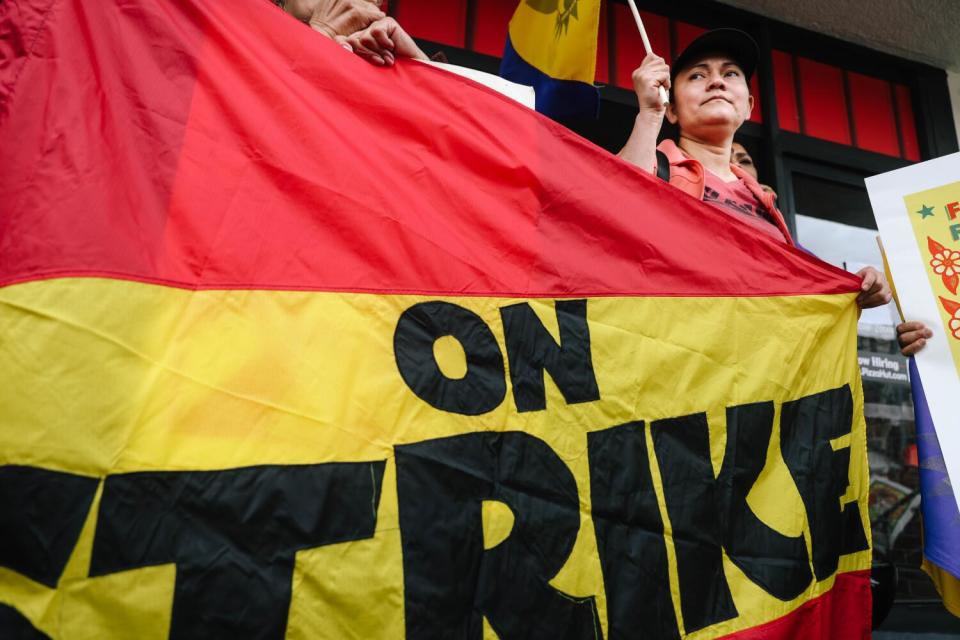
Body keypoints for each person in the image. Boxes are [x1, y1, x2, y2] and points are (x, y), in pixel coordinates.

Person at [616, 28, 932, 344]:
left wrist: (857, 287)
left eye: (730, 74)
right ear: (672, 108)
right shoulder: (658, 167)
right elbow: (611, 210)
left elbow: (804, 290)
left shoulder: (766, 204)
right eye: (697, 76)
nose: (717, 81)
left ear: (750, 105)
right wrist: (649, 114)